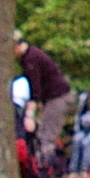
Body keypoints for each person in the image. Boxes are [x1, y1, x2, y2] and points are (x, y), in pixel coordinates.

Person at [14, 33, 73, 166]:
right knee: (44, 134)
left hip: (58, 98)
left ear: (16, 45)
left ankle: (46, 170)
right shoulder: (30, 56)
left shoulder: (31, 59)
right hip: (51, 99)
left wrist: (29, 116)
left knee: (46, 137)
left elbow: (35, 90)